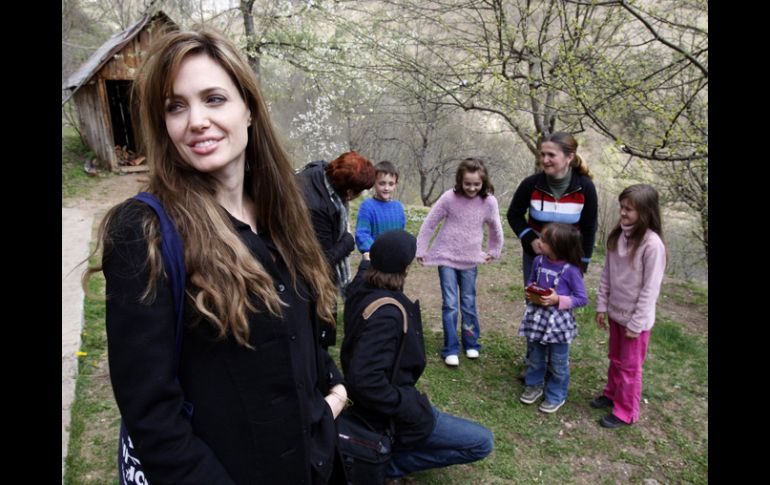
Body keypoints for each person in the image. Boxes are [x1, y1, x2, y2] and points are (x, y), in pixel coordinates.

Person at [84, 27, 349, 484]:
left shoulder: (285, 214)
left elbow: (301, 331)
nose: (196, 120)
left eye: (214, 98)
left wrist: (330, 388)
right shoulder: (144, 231)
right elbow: (153, 416)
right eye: (176, 106)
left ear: (248, 109)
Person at [341, 230, 494, 485]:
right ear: (406, 267)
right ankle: (390, 463)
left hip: (381, 407)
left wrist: (367, 261)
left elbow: (361, 274)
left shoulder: (359, 291)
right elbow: (365, 380)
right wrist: (406, 405)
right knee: (481, 442)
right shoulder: (388, 313)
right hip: (391, 412)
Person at [507, 132, 598, 380]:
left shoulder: (585, 188)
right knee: (535, 305)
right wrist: (530, 239)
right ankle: (534, 362)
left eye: (551, 155)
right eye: (542, 154)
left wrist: (583, 265)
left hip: (568, 263)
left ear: (569, 157)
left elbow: (589, 228)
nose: (544, 160)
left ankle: (555, 363)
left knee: (560, 309)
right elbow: (514, 214)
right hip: (537, 259)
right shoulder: (531, 185)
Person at [415, 158, 504, 367]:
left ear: (483, 182)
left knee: (468, 303)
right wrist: (422, 247)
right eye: (467, 184)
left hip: (470, 259)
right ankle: (451, 348)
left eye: (476, 184)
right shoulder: (449, 198)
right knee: (451, 304)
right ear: (460, 181)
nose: (472, 188)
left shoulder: (489, 202)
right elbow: (430, 223)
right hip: (446, 257)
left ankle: (471, 342)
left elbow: (495, 227)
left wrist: (494, 250)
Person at [593, 184, 667, 428]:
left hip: (636, 320)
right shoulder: (617, 236)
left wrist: (636, 323)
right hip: (616, 312)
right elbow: (607, 274)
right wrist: (602, 305)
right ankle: (612, 393)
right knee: (615, 357)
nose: (623, 213)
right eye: (621, 207)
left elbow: (650, 289)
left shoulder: (652, 245)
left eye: (629, 209)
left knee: (630, 368)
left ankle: (626, 411)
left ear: (645, 212)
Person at [298, 151, 376, 348]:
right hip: (308, 280)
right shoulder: (318, 208)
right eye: (359, 190)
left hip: (306, 267)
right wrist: (348, 240)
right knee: (317, 337)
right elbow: (322, 262)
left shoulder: (320, 170)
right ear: (349, 191)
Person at [518, 223, 588, 414]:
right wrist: (531, 289)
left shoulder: (571, 270)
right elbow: (532, 280)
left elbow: (582, 298)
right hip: (537, 317)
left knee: (558, 361)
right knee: (535, 354)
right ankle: (534, 385)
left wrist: (558, 299)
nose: (539, 242)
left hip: (557, 324)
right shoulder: (538, 261)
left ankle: (556, 394)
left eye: (544, 240)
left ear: (558, 247)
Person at [355, 160, 406, 261]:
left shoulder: (398, 207)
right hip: (374, 259)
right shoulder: (367, 206)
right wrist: (375, 250)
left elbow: (401, 234)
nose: (386, 188)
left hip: (395, 260)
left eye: (391, 184)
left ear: (396, 184)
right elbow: (362, 234)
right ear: (374, 182)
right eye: (382, 183)